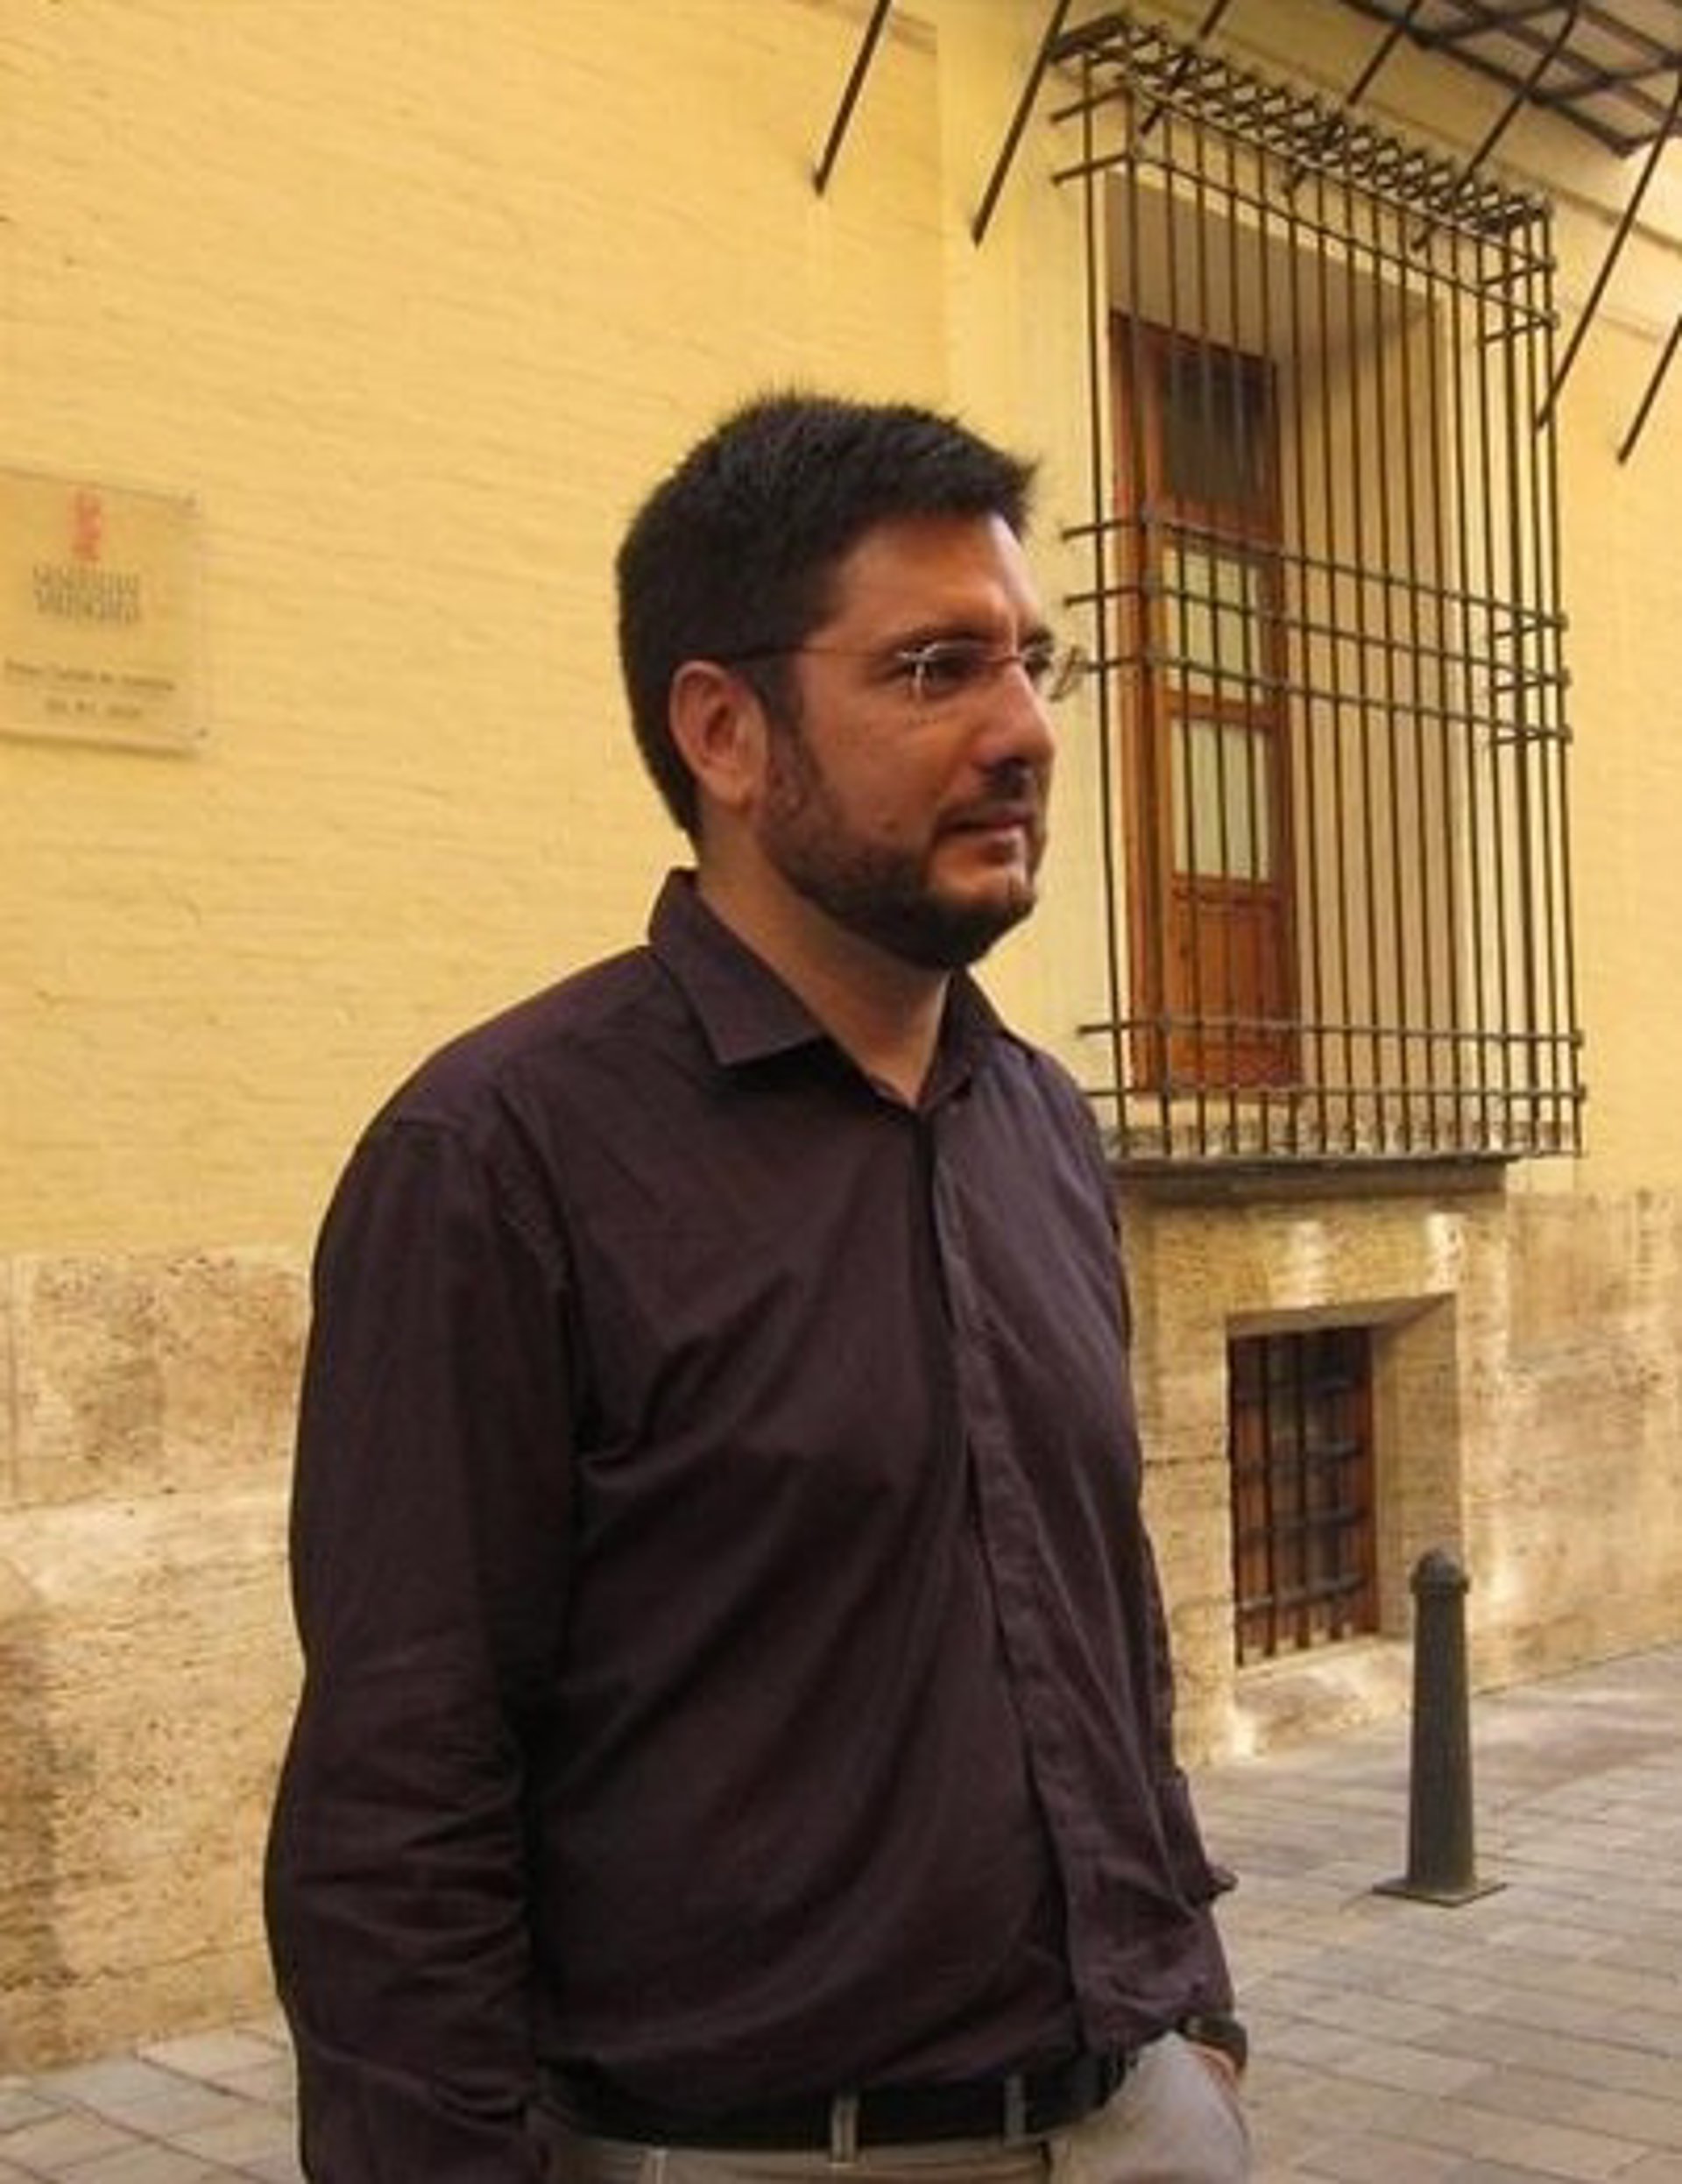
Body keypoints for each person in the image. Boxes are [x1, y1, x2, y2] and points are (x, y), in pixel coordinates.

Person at [265, 392, 1249, 2184]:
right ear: (725, 728)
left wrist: (1198, 2019)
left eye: (1033, 662)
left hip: (1135, 2123)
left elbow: (1105, 1608)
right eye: (935, 668)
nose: (1026, 730)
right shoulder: (498, 1160)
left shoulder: (1039, 1121)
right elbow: (402, 1791)